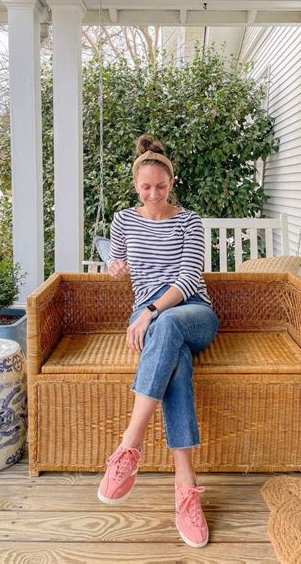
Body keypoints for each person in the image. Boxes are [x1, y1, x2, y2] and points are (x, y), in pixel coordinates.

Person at [97, 134, 219, 548]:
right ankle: (186, 489)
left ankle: (129, 445)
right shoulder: (123, 221)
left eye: (161, 187)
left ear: (172, 183)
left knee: (166, 327)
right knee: (175, 362)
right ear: (136, 185)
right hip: (150, 317)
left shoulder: (189, 221)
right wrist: (116, 267)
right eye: (146, 187)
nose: (153, 194)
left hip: (192, 312)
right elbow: (120, 261)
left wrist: (150, 312)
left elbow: (188, 279)